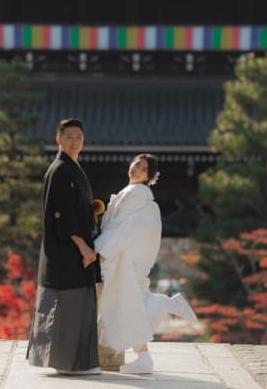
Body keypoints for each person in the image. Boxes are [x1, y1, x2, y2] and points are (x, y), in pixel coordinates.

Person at [94, 154, 198, 375]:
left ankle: (145, 353)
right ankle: (145, 353)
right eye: (135, 164)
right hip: (127, 257)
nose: (136, 169)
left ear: (149, 176)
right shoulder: (135, 194)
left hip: (124, 257)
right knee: (130, 304)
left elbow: (123, 229)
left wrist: (102, 251)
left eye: (142, 168)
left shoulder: (135, 195)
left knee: (128, 304)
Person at [26, 118, 101, 375]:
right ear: (58, 139)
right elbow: (62, 214)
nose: (74, 141)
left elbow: (76, 210)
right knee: (67, 304)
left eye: (79, 136)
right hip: (67, 251)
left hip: (74, 249)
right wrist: (83, 247)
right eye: (69, 136)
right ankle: (66, 362)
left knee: (75, 305)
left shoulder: (72, 167)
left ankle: (71, 362)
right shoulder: (59, 170)